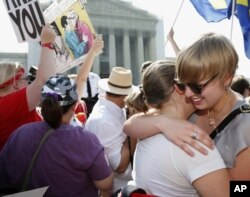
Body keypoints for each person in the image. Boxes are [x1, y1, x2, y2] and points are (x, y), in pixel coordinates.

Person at [124, 32, 250, 180]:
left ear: (226, 78)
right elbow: (129, 126)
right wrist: (163, 123)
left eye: (197, 86)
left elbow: (242, 189)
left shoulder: (245, 125)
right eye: (184, 85)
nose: (188, 94)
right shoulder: (197, 106)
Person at [127, 59, 229, 196]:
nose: (200, 88)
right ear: (179, 88)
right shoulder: (192, 143)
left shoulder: (148, 129)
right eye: (195, 83)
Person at [0, 75, 113, 197]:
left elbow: (3, 177)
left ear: (42, 104)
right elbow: (105, 185)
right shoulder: (86, 140)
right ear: (74, 105)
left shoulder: (20, 134)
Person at [0, 24, 56, 150]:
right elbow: (44, 83)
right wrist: (47, 44)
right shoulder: (4, 106)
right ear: (15, 83)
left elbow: (48, 83)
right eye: (26, 79)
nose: (29, 83)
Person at [85, 67, 136, 193]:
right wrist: (133, 127)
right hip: (117, 189)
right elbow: (120, 166)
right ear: (125, 95)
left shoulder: (109, 107)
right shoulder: (104, 121)